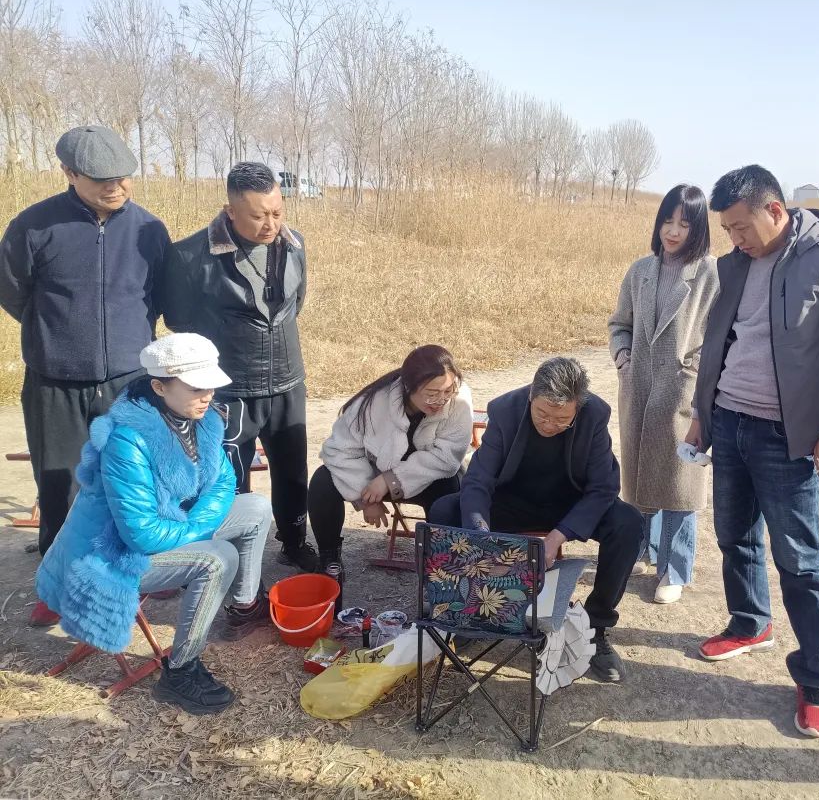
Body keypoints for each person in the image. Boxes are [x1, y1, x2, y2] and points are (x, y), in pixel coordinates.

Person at [691, 165, 819, 737]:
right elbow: (718, 343)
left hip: (786, 435)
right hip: (729, 421)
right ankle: (750, 622)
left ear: (774, 210)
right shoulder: (734, 265)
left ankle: (814, 677)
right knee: (734, 536)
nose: (735, 239)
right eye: (726, 229)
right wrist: (703, 413)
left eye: (741, 226)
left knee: (798, 558)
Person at [34, 334, 274, 715]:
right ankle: (180, 673)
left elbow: (225, 481)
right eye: (196, 386)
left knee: (257, 506)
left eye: (211, 384)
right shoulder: (126, 440)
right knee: (217, 558)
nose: (208, 394)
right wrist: (204, 531)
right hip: (111, 555)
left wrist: (198, 521)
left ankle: (245, 608)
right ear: (160, 386)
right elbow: (141, 534)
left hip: (172, 527)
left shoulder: (203, 418)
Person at [0, 125, 170, 627]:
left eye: (123, 177)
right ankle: (59, 588)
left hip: (129, 381)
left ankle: (139, 572)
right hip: (55, 382)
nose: (115, 188)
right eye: (101, 179)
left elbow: (156, 299)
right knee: (60, 487)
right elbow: (14, 294)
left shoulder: (148, 231)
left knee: (136, 483)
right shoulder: (32, 228)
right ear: (69, 174)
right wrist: (58, 335)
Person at [428, 357, 645, 683]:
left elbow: (603, 488)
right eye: (542, 414)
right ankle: (468, 610)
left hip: (568, 504)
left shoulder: (595, 414)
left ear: (578, 408)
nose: (549, 424)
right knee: (446, 510)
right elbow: (478, 480)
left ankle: (595, 628)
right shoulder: (505, 410)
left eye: (562, 420)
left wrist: (558, 536)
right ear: (531, 396)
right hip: (512, 500)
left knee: (628, 523)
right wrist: (481, 534)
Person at [162, 161, 317, 572]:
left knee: (292, 470)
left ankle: (294, 540)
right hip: (228, 388)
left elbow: (294, 304)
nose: (270, 224)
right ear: (230, 210)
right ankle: (229, 557)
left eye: (277, 212)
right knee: (227, 477)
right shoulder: (191, 254)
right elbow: (179, 319)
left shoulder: (295, 243)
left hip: (287, 380)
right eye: (258, 215)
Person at [609, 184, 719, 604]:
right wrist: (622, 356)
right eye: (667, 221)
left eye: (684, 223)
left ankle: (675, 568)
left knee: (679, 480)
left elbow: (720, 336)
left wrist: (694, 371)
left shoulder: (711, 273)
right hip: (637, 387)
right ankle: (644, 549)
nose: (673, 231)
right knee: (639, 475)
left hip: (683, 390)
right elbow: (619, 323)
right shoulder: (640, 270)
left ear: (699, 228)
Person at [310, 345, 473, 601]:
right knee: (322, 481)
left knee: (453, 487)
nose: (440, 400)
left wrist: (391, 480)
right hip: (371, 477)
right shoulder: (374, 402)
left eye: (447, 391)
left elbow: (446, 457)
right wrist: (365, 496)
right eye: (431, 393)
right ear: (409, 387)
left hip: (427, 478)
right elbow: (338, 450)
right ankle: (329, 559)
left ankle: (443, 570)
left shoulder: (459, 402)